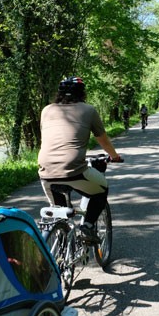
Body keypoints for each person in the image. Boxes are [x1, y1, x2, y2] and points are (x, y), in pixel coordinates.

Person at [38, 76, 122, 243]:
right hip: (74, 169)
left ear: (59, 93)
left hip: (46, 171)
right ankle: (88, 226)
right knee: (102, 189)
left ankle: (60, 249)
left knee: (60, 213)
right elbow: (103, 139)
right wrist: (114, 156)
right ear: (82, 93)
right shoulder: (89, 110)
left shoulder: (46, 110)